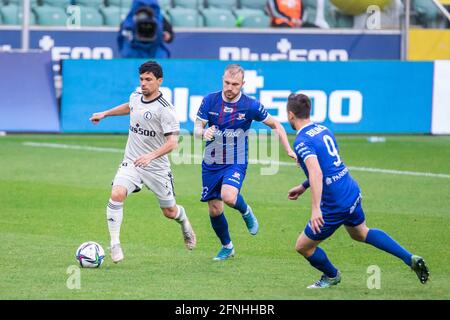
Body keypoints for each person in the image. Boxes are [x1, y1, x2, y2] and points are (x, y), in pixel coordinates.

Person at [286, 93, 429, 288]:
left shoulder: (301, 141)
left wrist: (316, 209)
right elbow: (329, 167)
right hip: (350, 190)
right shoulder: (323, 129)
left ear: (290, 115)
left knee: (303, 246)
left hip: (335, 203)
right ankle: (409, 258)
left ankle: (331, 275)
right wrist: (303, 186)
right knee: (360, 233)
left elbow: (317, 172)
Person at [89, 61, 196, 263]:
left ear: (159, 81)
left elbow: (173, 142)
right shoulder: (136, 96)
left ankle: (184, 221)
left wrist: (150, 156)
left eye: (148, 80)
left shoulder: (166, 109)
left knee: (169, 211)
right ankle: (114, 244)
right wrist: (105, 114)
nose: (143, 84)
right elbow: (129, 107)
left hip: (156, 168)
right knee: (117, 193)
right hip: (132, 162)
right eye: (141, 79)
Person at [194, 64, 296, 261]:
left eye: (235, 84)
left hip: (236, 160)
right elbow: (197, 127)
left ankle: (246, 211)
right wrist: (203, 132)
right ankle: (227, 247)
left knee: (229, 197)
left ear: (242, 84)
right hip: (212, 161)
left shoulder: (251, 105)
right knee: (215, 209)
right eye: (227, 83)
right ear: (222, 80)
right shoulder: (209, 100)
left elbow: (276, 124)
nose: (230, 87)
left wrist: (288, 149)